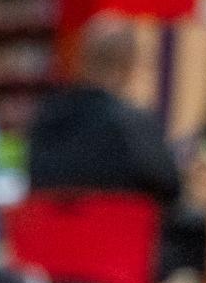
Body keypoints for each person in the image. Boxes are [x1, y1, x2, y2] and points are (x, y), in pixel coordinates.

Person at [27, 14, 181, 207]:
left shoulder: (47, 116)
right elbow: (171, 187)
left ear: (81, 60)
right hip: (123, 234)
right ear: (127, 64)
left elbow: (35, 181)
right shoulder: (132, 123)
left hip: (56, 235)